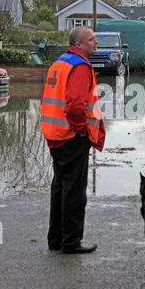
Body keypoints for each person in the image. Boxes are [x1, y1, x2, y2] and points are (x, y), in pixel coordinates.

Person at [41, 26, 105, 254]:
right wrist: (80, 131)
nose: (96, 43)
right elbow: (76, 105)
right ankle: (71, 242)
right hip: (71, 136)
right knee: (74, 191)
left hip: (54, 134)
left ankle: (56, 239)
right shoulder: (79, 66)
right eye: (91, 39)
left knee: (60, 186)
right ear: (79, 44)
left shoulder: (60, 62)